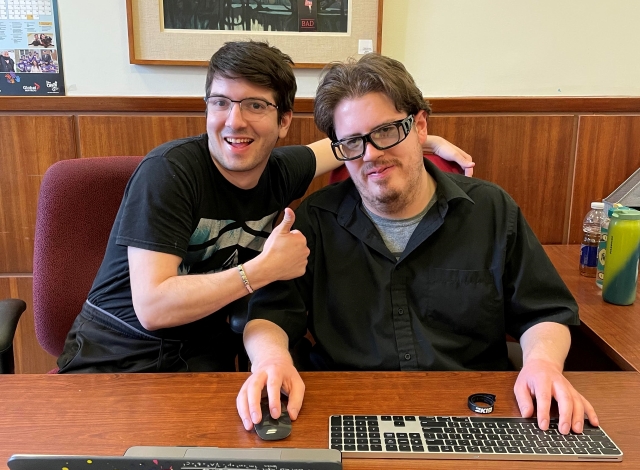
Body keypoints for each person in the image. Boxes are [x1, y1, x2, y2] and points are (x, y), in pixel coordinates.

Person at [237, 53, 599, 436]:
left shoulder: (491, 210)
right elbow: (270, 314)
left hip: (477, 413)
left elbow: (544, 311)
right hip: (344, 412)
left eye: (386, 132)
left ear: (420, 126)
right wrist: (271, 360)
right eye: (353, 142)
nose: (371, 154)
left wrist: (542, 363)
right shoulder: (314, 220)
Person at [57, 42, 472, 374]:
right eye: (220, 102)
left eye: (255, 105)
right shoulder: (169, 172)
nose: (234, 121)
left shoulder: (278, 169)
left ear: (284, 121)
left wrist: (420, 140)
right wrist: (262, 271)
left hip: (204, 357)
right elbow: (154, 307)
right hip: (113, 353)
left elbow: (352, 142)